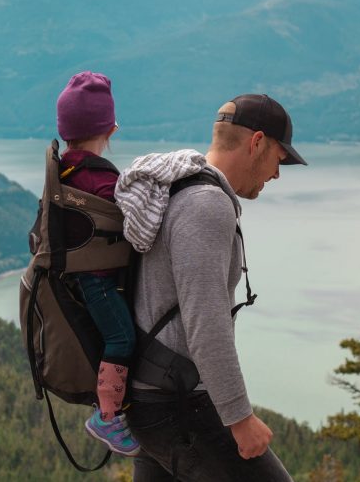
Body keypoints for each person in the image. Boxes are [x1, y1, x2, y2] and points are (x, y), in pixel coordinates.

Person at [114, 93, 307, 481]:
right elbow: (206, 323)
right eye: (278, 160)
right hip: (180, 405)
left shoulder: (173, 188)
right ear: (256, 143)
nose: (276, 174)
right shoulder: (207, 205)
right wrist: (239, 417)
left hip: (150, 396)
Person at [54, 71, 141, 456]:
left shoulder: (66, 170)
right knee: (121, 338)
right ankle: (107, 417)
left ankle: (110, 406)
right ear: (108, 129)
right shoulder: (100, 179)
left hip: (79, 276)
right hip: (100, 281)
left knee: (111, 337)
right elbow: (132, 222)